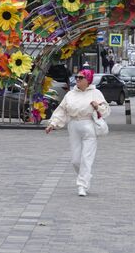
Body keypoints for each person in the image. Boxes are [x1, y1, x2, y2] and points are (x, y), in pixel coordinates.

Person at [45, 69, 111, 197]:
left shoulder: (96, 93)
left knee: (87, 158)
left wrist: (97, 106)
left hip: (88, 126)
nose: (78, 80)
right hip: (74, 125)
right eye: (77, 77)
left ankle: (82, 185)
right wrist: (53, 124)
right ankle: (85, 176)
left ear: (88, 80)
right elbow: (62, 110)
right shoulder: (70, 94)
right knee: (75, 160)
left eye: (81, 77)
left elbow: (106, 111)